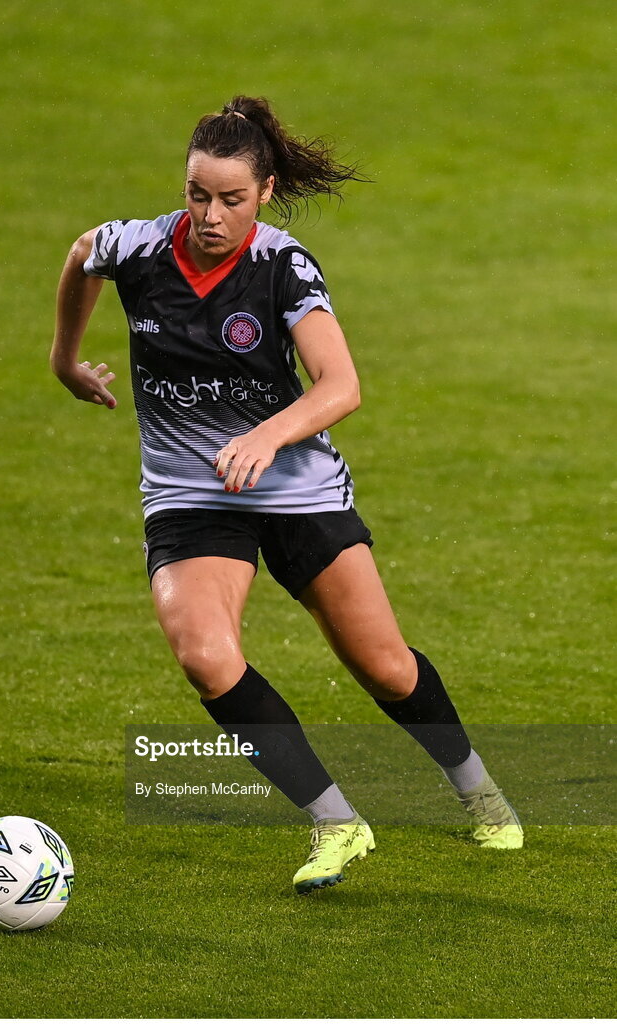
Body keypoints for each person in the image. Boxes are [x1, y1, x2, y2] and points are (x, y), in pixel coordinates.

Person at [50, 95, 523, 893]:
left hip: (295, 488)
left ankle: (476, 789)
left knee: (385, 669)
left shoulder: (282, 265)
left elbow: (340, 385)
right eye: (197, 193)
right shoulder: (136, 247)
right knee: (205, 657)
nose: (208, 214)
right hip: (189, 494)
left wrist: (269, 435)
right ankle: (336, 822)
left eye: (230, 199)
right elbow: (80, 254)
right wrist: (65, 360)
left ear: (263, 193)